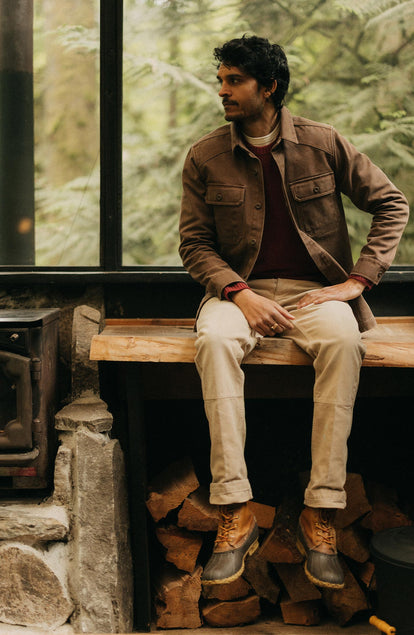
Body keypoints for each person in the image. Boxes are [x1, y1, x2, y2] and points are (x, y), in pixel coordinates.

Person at [179, 35, 409, 590]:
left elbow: (391, 203)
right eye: (222, 80)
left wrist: (356, 283)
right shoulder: (205, 155)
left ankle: (322, 511)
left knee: (343, 343)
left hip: (315, 293)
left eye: (235, 80)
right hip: (239, 293)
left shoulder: (323, 144)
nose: (223, 91)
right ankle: (235, 510)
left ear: (269, 86)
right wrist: (241, 294)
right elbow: (194, 245)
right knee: (211, 343)